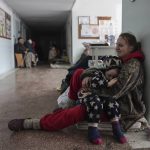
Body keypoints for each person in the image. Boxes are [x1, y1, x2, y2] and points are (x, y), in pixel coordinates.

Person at [8, 33, 146, 145]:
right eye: (117, 44)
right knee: (79, 72)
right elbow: (100, 68)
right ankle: (68, 104)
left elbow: (115, 91)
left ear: (131, 48)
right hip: (104, 94)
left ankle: (32, 123)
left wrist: (89, 88)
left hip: (120, 106)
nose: (117, 47)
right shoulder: (122, 60)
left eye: (120, 45)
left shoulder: (132, 66)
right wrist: (88, 75)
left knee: (74, 113)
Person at [77, 65, 127, 144]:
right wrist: (108, 84)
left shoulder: (114, 80)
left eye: (113, 77)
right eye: (109, 75)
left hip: (102, 96)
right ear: (106, 70)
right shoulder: (98, 73)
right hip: (87, 94)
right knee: (96, 103)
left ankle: (116, 127)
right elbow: (94, 83)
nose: (110, 78)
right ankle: (92, 128)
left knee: (112, 102)